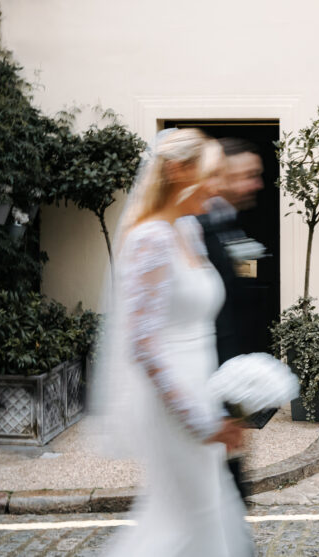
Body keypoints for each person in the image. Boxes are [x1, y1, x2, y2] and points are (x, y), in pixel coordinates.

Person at [96, 128, 255, 556]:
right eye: (211, 174)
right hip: (174, 407)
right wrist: (201, 420)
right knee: (191, 523)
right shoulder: (150, 239)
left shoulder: (188, 231)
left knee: (201, 520)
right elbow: (144, 347)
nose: (218, 185)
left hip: (202, 390)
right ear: (180, 171)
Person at [195, 138, 265, 501]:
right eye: (249, 175)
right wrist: (222, 401)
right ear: (223, 175)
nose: (257, 184)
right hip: (208, 380)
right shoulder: (197, 226)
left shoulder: (228, 221)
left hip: (229, 381)